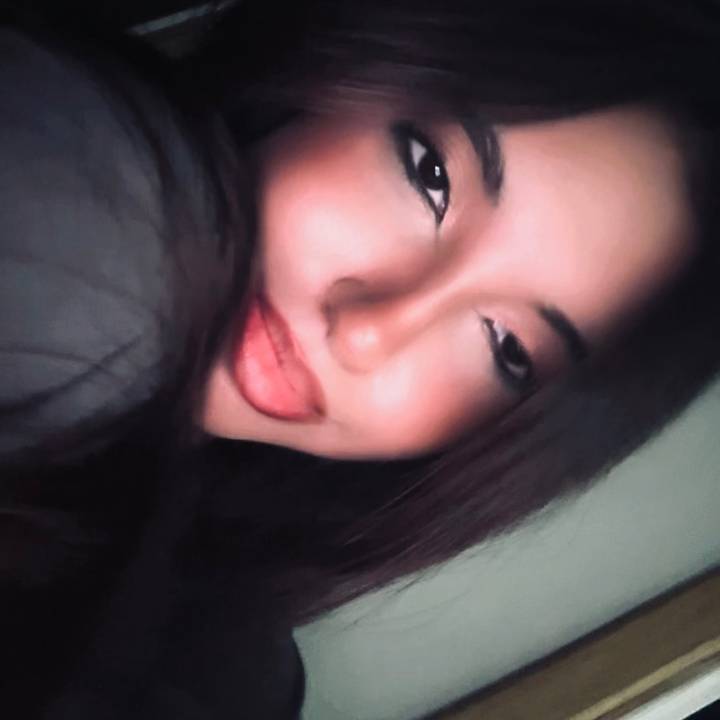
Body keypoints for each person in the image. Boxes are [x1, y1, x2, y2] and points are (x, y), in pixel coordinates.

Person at [1, 0, 719, 717]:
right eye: (430, 175)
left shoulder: (210, 673)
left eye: (507, 348)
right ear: (336, 68)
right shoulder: (56, 157)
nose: (369, 332)